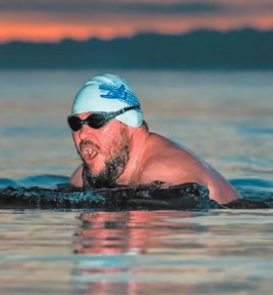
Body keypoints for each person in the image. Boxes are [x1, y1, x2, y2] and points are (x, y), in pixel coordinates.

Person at [68, 73, 239, 205]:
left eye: (96, 121)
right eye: (76, 123)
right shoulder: (84, 176)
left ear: (130, 122)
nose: (82, 134)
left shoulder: (167, 170)